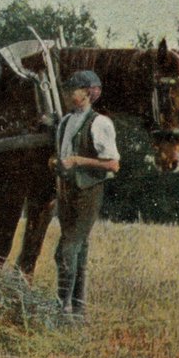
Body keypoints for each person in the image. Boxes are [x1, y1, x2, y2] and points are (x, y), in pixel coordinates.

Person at [53, 69, 119, 318]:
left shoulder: (101, 123)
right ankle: (77, 309)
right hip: (67, 191)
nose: (69, 94)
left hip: (88, 191)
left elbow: (113, 164)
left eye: (74, 90)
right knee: (78, 250)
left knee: (65, 250)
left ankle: (62, 309)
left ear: (89, 93)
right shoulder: (65, 121)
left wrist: (78, 161)